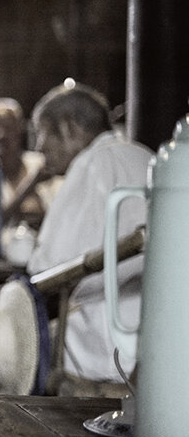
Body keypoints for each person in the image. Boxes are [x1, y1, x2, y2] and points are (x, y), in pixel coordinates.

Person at [26, 82, 152, 396]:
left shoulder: (93, 163)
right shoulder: (146, 156)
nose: (39, 147)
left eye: (43, 133)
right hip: (159, 339)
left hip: (113, 348)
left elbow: (47, 269)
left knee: (19, 348)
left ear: (69, 129)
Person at [0, 98, 59, 227]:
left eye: (8, 127)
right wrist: (30, 185)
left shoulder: (43, 164)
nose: (1, 135)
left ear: (20, 129)